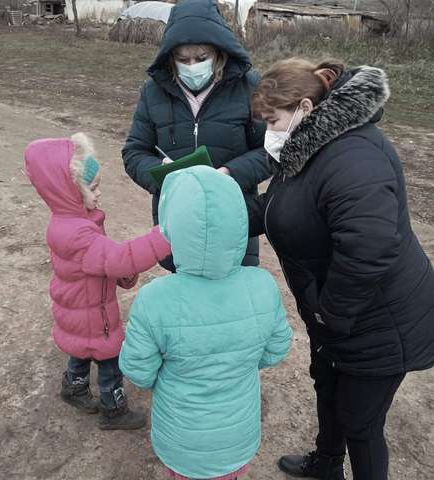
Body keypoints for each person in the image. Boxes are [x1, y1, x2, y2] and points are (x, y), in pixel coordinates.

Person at [249, 58, 434, 480]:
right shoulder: (308, 146)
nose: (268, 131)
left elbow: (369, 248)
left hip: (380, 321)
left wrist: (328, 312)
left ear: (304, 108)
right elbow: (280, 205)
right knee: (328, 386)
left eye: (272, 120)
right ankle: (327, 463)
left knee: (361, 422)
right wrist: (222, 212)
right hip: (338, 316)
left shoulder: (352, 156)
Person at [120, 166, 292, 480]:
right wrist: (238, 363)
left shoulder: (154, 298)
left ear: (171, 225)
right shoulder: (263, 285)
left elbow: (138, 370)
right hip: (237, 439)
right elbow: (276, 349)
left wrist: (174, 379)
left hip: (181, 442)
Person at [24, 132, 171, 430]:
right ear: (69, 192)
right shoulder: (78, 233)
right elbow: (119, 258)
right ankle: (113, 409)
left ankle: (74, 386)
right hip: (92, 314)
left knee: (80, 350)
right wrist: (164, 236)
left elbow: (102, 262)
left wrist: (118, 274)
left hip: (79, 308)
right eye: (92, 189)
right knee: (109, 359)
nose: (99, 194)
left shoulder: (68, 222)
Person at [122, 0, 270, 272]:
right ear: (170, 57)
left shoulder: (248, 87)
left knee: (235, 290)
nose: (192, 66)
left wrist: (229, 173)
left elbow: (270, 150)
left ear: (219, 52)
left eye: (202, 58)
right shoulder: (153, 92)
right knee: (185, 291)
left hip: (233, 219)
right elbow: (134, 152)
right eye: (183, 59)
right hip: (178, 221)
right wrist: (165, 176)